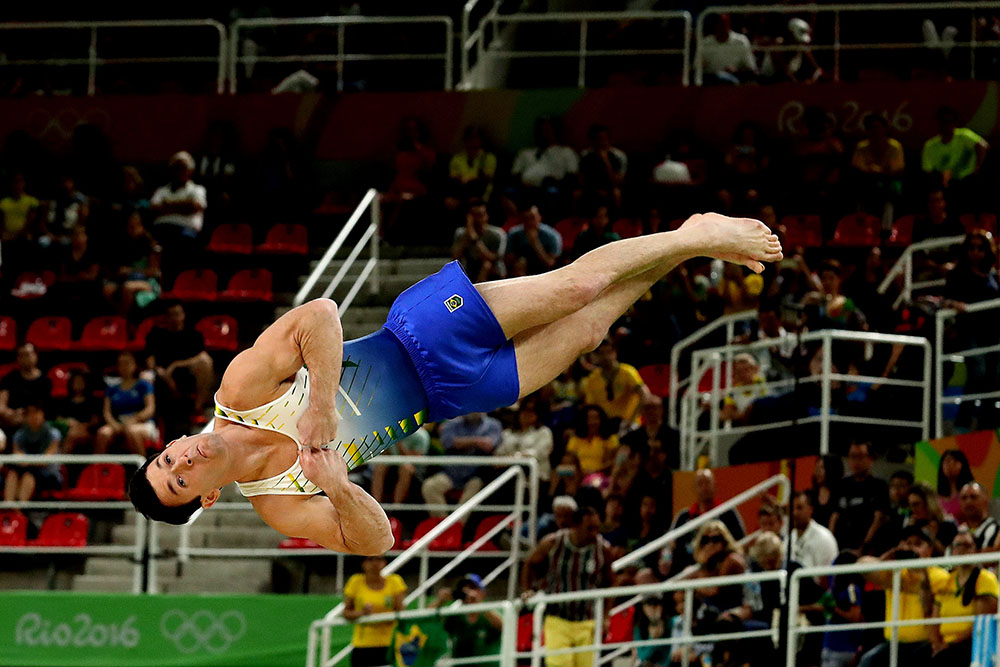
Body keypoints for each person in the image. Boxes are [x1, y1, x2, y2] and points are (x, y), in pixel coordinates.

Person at [127, 214, 782, 555]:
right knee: (587, 332)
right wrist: (334, 485)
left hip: (419, 334)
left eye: (165, 457)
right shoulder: (277, 502)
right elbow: (376, 539)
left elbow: (321, 314)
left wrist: (320, 404)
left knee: (576, 287)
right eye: (179, 480)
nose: (180, 459)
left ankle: (691, 234)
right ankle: (689, 243)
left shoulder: (241, 390)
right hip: (450, 396)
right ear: (207, 500)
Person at [521, 505, 613, 667]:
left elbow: (611, 582)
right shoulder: (553, 542)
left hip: (587, 621)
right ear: (576, 526)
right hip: (558, 620)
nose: (595, 533)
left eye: (597, 528)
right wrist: (528, 589)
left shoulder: (603, 549)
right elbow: (529, 563)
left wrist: (606, 615)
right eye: (590, 528)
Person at [857, 526, 949, 667]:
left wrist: (922, 574)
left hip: (923, 644)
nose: (912, 549)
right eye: (908, 544)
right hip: (893, 644)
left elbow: (928, 608)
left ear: (930, 550)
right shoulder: (895, 572)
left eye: (918, 544)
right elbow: (863, 565)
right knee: (867, 661)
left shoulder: (939, 576)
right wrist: (889, 557)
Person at [929, 527, 999, 666]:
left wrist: (950, 645)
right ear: (952, 550)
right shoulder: (946, 580)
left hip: (970, 643)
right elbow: (934, 621)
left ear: (976, 550)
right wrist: (936, 643)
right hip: (945, 644)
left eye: (967, 545)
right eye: (957, 545)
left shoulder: (986, 579)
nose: (961, 550)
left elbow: (981, 624)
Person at [667, 469, 746, 576]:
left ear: (714, 486)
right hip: (689, 570)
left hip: (719, 569)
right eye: (700, 483)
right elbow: (672, 545)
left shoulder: (728, 512)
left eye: (707, 482)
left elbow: (740, 542)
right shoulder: (683, 517)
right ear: (694, 488)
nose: (704, 487)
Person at [144, 302, 215, 419]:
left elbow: (201, 357)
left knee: (206, 363)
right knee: (146, 376)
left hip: (185, 373)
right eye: (171, 315)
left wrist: (176, 365)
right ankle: (150, 416)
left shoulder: (193, 335)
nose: (175, 318)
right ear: (166, 317)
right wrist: (162, 373)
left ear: (183, 315)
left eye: (178, 314)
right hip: (161, 375)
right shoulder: (156, 334)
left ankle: (197, 409)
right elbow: (149, 361)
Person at [421, 412, 501, 517]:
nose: (472, 409)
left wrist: (460, 443)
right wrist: (476, 442)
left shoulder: (493, 425)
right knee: (429, 486)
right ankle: (443, 524)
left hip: (476, 475)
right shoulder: (452, 423)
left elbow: (489, 445)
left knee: (473, 492)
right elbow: (447, 442)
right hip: (451, 473)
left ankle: (457, 525)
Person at [149, 151, 207, 279]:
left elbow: (195, 207)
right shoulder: (162, 190)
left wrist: (167, 205)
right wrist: (183, 205)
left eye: (183, 168)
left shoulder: (197, 189)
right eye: (176, 168)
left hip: (185, 232)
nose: (179, 171)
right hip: (161, 230)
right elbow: (154, 208)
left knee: (175, 247)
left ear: (190, 171)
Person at [342, 554, 406, 667]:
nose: (375, 563)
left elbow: (401, 612)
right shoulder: (355, 581)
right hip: (363, 644)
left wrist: (383, 617)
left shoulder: (395, 581)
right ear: (363, 563)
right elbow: (346, 613)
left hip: (389, 644)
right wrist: (362, 613)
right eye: (370, 559)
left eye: (379, 559)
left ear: (384, 562)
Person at [829, 441, 888, 553]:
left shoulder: (879, 486)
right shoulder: (841, 485)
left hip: (867, 549)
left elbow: (878, 518)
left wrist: (863, 547)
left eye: (860, 457)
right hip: (840, 548)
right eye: (853, 457)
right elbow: (834, 516)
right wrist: (830, 543)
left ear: (870, 459)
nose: (856, 461)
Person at [431, 574, 503, 665]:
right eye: (463, 589)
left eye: (473, 588)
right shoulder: (455, 616)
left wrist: (478, 604)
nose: (468, 592)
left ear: (482, 592)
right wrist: (440, 601)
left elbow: (503, 626)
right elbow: (427, 619)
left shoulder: (492, 612)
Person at [921, 106, 989, 201]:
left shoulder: (964, 135)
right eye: (943, 122)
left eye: (949, 121)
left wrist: (977, 168)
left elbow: (983, 146)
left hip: (969, 182)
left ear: (954, 122)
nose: (946, 125)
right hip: (946, 187)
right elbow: (927, 171)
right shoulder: (930, 146)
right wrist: (941, 180)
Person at [580, 338, 649, 431]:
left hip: (628, 424)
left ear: (615, 352)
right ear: (595, 356)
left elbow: (645, 395)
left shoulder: (628, 371)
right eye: (601, 353)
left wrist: (631, 420)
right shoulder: (592, 379)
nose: (606, 356)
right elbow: (591, 407)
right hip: (605, 426)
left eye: (609, 352)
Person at [97, 351, 158, 456]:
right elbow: (106, 412)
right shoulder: (111, 389)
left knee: (132, 432)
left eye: (127, 363)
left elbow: (150, 409)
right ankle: (98, 468)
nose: (124, 367)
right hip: (118, 423)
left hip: (142, 423)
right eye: (121, 363)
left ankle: (143, 469)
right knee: (103, 433)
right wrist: (114, 424)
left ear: (135, 365)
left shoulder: (144, 385)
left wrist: (134, 420)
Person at [495, 395, 553, 495]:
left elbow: (538, 453)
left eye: (531, 412)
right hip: (507, 474)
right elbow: (499, 453)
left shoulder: (544, 432)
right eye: (524, 411)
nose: (526, 415)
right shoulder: (508, 433)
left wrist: (514, 458)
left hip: (536, 475)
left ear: (537, 415)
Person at [4, 404, 62, 502]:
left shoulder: (53, 434)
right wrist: (28, 461)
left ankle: (19, 512)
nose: (33, 416)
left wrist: (27, 461)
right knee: (12, 474)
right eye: (30, 413)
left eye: (36, 412)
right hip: (25, 469)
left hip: (48, 474)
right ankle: (9, 509)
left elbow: (45, 460)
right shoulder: (19, 435)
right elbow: (17, 455)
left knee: (28, 477)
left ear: (43, 414)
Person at [370, 424, 430, 505]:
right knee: (379, 466)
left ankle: (396, 507)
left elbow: (415, 459)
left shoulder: (421, 436)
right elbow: (386, 453)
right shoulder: (391, 432)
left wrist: (399, 443)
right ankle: (376, 503)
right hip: (394, 464)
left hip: (415, 468)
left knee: (405, 468)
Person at [0, 343, 52, 433]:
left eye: (28, 354)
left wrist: (28, 417)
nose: (26, 358)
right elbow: (1, 406)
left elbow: (47, 410)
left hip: (37, 422)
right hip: (12, 420)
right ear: (18, 358)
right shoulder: (9, 379)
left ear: (36, 356)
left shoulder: (45, 381)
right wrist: (11, 413)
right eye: (22, 355)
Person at [452, 199, 506, 282]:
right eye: (475, 216)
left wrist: (475, 239)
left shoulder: (497, 234)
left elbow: (493, 258)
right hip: (470, 268)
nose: (478, 219)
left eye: (481, 215)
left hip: (493, 272)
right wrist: (466, 236)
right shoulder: (461, 233)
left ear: (486, 215)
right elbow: (455, 257)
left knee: (486, 265)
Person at [697, 13, 757, 85]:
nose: (721, 26)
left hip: (735, 84)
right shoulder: (705, 44)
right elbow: (696, 69)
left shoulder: (741, 41)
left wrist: (736, 71)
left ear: (728, 22)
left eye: (723, 23)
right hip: (711, 85)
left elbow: (751, 69)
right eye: (719, 23)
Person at [505, 201, 562, 276]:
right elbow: (507, 261)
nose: (529, 222)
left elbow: (550, 264)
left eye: (532, 218)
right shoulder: (514, 234)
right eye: (526, 219)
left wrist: (535, 243)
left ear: (539, 217)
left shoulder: (552, 236)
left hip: (544, 272)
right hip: (520, 270)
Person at [579, 125, 627, 210]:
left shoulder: (616, 156)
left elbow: (617, 181)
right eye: (599, 139)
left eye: (604, 138)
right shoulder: (586, 156)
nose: (602, 142)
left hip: (610, 188)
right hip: (592, 189)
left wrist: (606, 161)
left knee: (617, 194)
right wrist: (594, 190)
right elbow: (582, 179)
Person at [447, 126, 497, 205]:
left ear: (481, 140)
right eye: (470, 138)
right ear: (465, 140)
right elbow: (453, 177)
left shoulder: (488, 158)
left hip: (480, 196)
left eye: (476, 138)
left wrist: (470, 180)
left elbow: (487, 178)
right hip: (459, 192)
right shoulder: (457, 158)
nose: (473, 142)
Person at [565, 405, 619, 478]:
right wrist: (580, 471)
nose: (592, 422)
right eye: (589, 418)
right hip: (578, 473)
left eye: (595, 418)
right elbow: (569, 459)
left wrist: (594, 471)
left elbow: (612, 462)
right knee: (558, 471)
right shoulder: (575, 439)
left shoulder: (610, 439)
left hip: (600, 474)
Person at [56, 371, 102, 454]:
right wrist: (67, 421)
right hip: (68, 429)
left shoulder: (93, 401)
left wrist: (81, 426)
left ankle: (61, 461)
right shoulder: (65, 401)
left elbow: (95, 420)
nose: (78, 384)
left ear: (85, 383)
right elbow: (59, 418)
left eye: (80, 382)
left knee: (72, 434)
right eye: (76, 382)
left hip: (88, 431)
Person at [790, 491, 838, 570]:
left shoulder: (824, 538)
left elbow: (826, 578)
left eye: (799, 508)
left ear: (810, 510)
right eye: (792, 509)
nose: (794, 513)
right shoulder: (789, 538)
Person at [905, 481, 958, 553]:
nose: (913, 509)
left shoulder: (948, 526)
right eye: (911, 505)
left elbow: (949, 556)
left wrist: (932, 537)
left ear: (929, 503)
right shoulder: (911, 527)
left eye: (916, 504)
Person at [959, 482, 1000, 551]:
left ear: (986, 499)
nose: (968, 502)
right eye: (964, 498)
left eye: (973, 497)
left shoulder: (996, 529)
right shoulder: (959, 531)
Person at [937, 449, 974, 522]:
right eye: (946, 461)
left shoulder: (970, 491)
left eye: (955, 461)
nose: (949, 465)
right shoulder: (938, 496)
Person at [810, 454, 842, 528]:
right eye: (816, 467)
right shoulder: (811, 495)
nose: (817, 472)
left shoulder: (840, 494)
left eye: (822, 468)